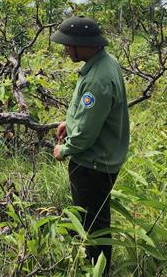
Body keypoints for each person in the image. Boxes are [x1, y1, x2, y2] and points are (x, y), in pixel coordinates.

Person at [50, 16, 129, 274]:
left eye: (68, 44)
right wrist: (68, 122)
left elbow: (85, 135)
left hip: (93, 163)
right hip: (103, 158)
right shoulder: (105, 63)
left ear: (83, 45)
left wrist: (64, 149)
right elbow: (91, 115)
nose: (65, 49)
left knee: (94, 223)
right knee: (95, 217)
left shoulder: (97, 79)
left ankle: (98, 270)